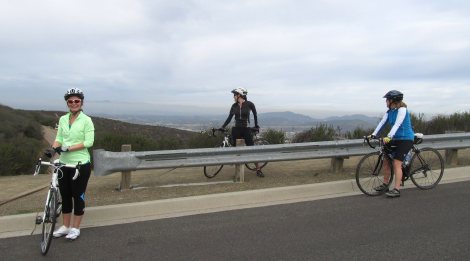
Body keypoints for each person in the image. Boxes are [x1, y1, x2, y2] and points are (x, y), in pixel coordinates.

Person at [52, 88, 95, 240]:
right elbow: (59, 138)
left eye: (77, 101)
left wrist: (68, 148)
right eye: (70, 101)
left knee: (78, 196)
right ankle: (65, 226)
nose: (73, 103)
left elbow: (89, 142)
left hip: (80, 164)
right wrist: (54, 148)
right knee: (65, 195)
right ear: (67, 103)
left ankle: (75, 228)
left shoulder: (86, 120)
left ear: (81, 102)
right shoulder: (63, 119)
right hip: (64, 163)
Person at [369, 90, 414, 198]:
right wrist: (373, 135)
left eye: (387, 100)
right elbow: (382, 123)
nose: (386, 102)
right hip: (395, 138)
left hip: (406, 139)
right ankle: (385, 185)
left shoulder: (402, 110)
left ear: (393, 101)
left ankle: (397, 189)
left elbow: (397, 125)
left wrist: (388, 137)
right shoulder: (390, 111)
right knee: (386, 160)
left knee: (396, 163)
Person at [220, 87, 264, 177]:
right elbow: (229, 118)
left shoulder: (249, 104)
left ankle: (258, 169)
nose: (233, 97)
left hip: (246, 129)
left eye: (234, 95)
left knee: (251, 149)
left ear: (239, 95)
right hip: (236, 129)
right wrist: (222, 126)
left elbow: (255, 114)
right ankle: (238, 171)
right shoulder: (234, 106)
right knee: (235, 149)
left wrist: (256, 125)